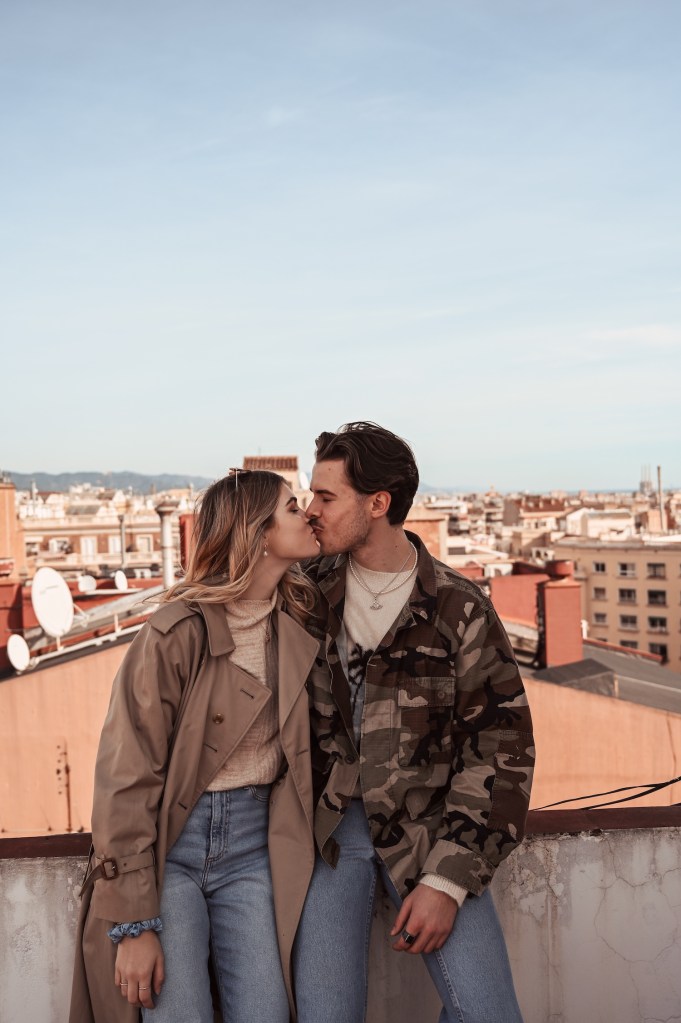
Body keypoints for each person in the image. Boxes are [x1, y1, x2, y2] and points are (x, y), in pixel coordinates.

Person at [294, 422, 535, 1023]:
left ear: (378, 504)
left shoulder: (458, 606)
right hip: (327, 839)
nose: (310, 509)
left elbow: (501, 748)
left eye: (326, 496)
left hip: (432, 835)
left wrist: (448, 881)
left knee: (490, 1016)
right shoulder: (303, 595)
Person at [70, 469, 325, 1023]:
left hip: (256, 848)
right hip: (170, 850)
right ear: (257, 534)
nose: (307, 513)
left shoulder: (300, 624)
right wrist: (133, 923)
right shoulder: (174, 634)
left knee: (266, 1012)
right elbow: (126, 774)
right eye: (291, 507)